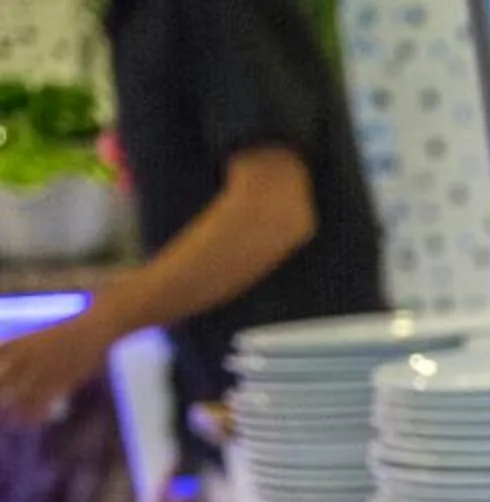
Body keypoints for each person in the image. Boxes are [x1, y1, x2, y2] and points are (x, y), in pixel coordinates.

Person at [0, 0, 384, 438]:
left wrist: (93, 329)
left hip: (314, 417)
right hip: (252, 415)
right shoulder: (142, 19)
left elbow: (273, 211)